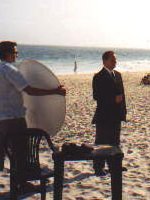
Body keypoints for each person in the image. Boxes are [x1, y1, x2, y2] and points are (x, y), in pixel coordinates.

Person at [0, 41, 66, 171]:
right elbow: (29, 90)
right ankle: (22, 184)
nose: (16, 56)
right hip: (13, 119)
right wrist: (54, 91)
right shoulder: (10, 70)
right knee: (20, 152)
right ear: (8, 54)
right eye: (15, 52)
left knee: (1, 153)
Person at [92, 51, 127, 176]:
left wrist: (123, 112)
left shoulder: (118, 75)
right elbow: (97, 96)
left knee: (115, 142)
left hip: (116, 114)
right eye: (112, 60)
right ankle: (98, 167)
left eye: (115, 60)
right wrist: (113, 99)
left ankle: (115, 166)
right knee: (102, 142)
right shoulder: (98, 76)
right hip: (104, 114)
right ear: (105, 61)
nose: (115, 62)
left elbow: (122, 95)